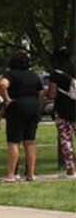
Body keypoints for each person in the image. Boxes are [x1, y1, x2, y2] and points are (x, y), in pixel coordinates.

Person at [0, 48, 43, 182]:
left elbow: (2, 85)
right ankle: (30, 174)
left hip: (17, 106)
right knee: (30, 141)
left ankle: (11, 175)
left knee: (14, 141)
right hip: (33, 106)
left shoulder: (10, 74)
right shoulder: (34, 75)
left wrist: (6, 100)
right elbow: (41, 92)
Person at [46, 47, 75, 178]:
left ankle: (70, 169)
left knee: (65, 139)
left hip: (62, 109)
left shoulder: (56, 74)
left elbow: (52, 94)